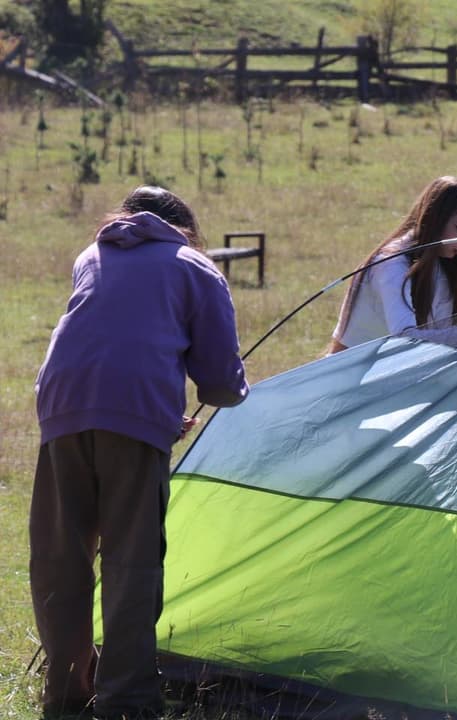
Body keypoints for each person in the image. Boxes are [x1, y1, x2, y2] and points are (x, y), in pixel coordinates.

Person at [30, 186, 249, 719]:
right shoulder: (195, 267)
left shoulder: (92, 254)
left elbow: (102, 335)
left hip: (60, 407)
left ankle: (65, 695)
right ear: (187, 229)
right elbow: (221, 382)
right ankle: (126, 701)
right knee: (131, 561)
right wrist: (230, 392)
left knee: (63, 557)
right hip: (133, 421)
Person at [328, 176, 457, 352]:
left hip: (391, 372)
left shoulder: (439, 268)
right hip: (351, 374)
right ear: (436, 219)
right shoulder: (390, 264)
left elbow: (443, 334)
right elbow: (405, 337)